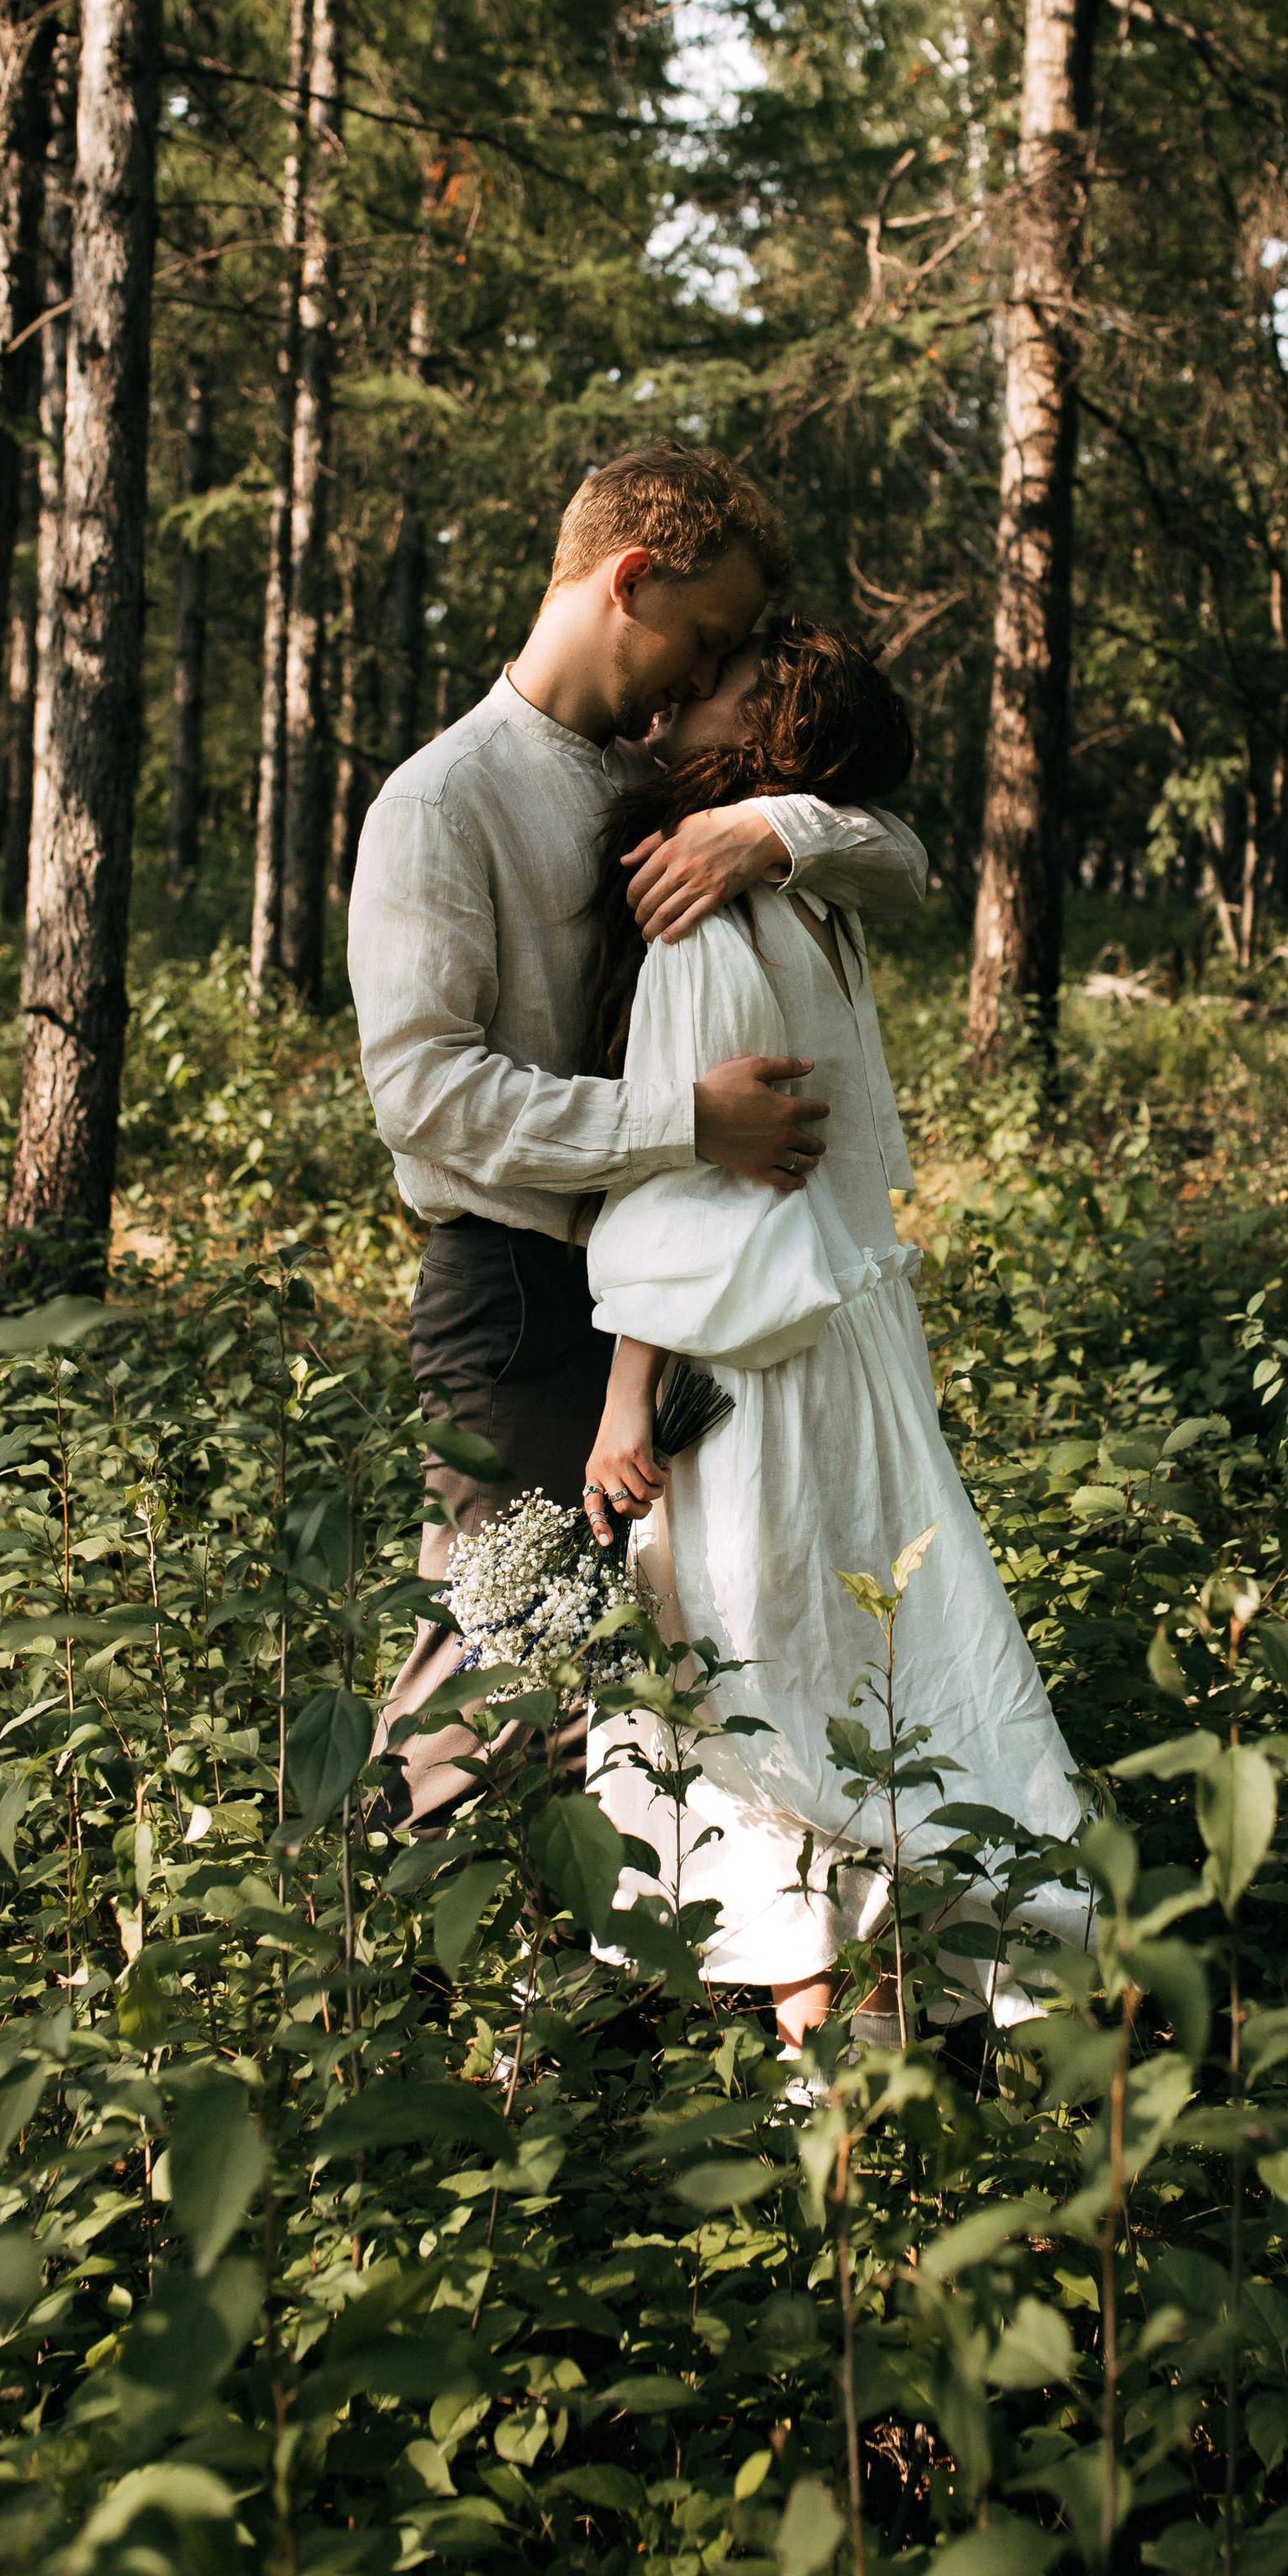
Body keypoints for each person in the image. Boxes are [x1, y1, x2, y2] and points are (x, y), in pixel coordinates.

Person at [346, 446, 928, 1829]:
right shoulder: (447, 798)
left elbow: (903, 860)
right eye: (707, 637)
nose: (703, 673)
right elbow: (426, 1098)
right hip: (522, 1292)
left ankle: (571, 2008)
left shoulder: (669, 775)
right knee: (484, 1663)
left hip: (667, 1290)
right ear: (630, 579)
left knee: (638, 1663)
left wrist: (771, 829)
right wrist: (687, 1128)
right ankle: (379, 1991)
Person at [577, 619, 1087, 2053]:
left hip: (754, 1358)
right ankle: (882, 2037)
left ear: (770, 736)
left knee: (759, 1691)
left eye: (725, 685)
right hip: (851, 1340)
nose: (687, 690)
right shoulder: (818, 908)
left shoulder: (708, 903)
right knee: (866, 1670)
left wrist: (627, 1403)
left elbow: (692, 1190)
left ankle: (830, 2072)